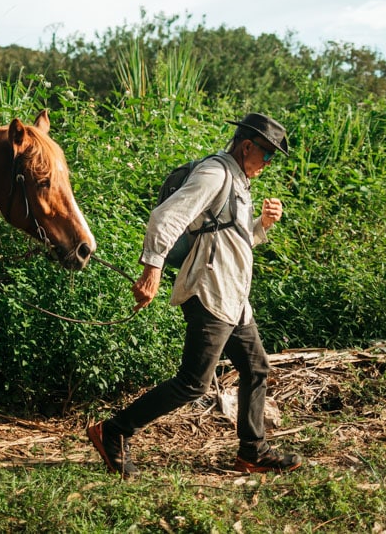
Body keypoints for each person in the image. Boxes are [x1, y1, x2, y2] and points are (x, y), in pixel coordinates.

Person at [88, 113, 303, 477]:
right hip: (209, 291)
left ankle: (252, 451)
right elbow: (166, 218)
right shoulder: (215, 173)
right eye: (266, 155)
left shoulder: (238, 182)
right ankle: (114, 431)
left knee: (256, 368)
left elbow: (231, 238)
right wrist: (151, 270)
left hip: (233, 298)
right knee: (193, 383)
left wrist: (261, 226)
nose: (268, 164)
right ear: (247, 146)